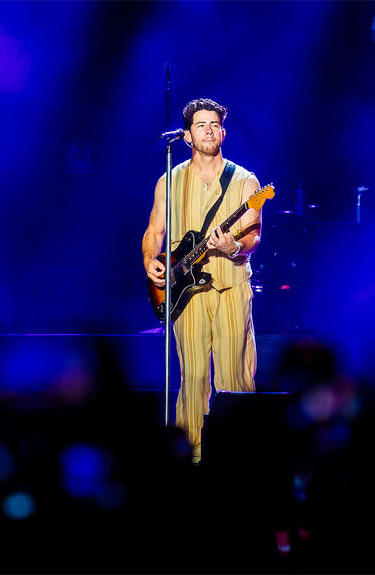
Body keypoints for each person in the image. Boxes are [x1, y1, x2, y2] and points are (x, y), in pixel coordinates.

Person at [142, 98, 262, 464]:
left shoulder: (245, 180)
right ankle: (189, 460)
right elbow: (155, 230)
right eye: (200, 125)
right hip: (185, 291)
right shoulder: (169, 179)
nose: (208, 130)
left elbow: (254, 237)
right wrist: (150, 259)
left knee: (234, 377)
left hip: (230, 283)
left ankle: (238, 456)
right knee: (193, 378)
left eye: (214, 125)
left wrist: (233, 245)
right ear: (188, 136)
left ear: (223, 132)